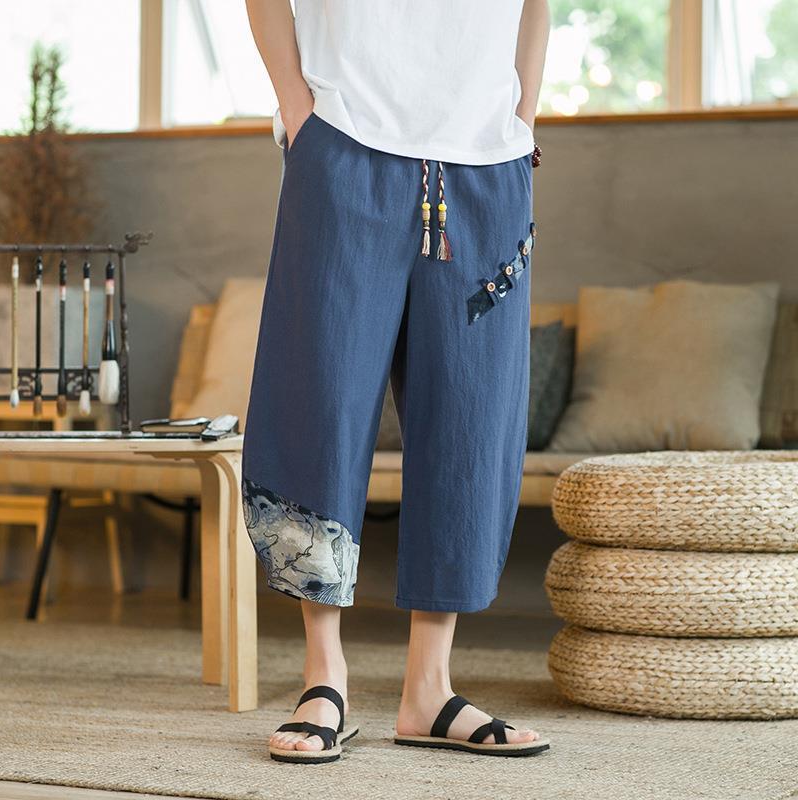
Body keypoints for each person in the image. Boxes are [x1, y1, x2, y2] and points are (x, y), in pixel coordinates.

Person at [242, 0, 551, 764]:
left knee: (470, 422)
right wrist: (298, 110)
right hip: (344, 142)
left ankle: (430, 689)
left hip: (488, 162)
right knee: (322, 404)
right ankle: (324, 677)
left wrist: (522, 118)